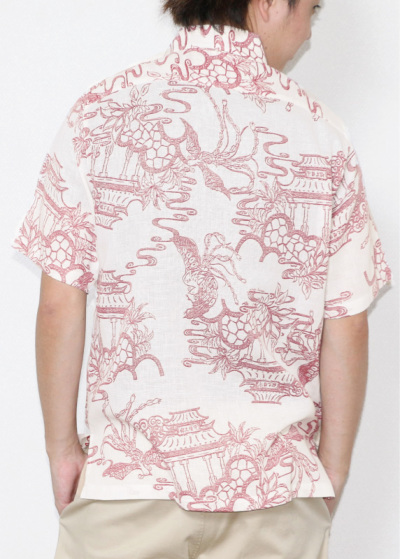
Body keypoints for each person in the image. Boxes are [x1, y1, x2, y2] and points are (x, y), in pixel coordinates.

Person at [11, 0, 393, 558]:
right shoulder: (322, 134)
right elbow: (347, 323)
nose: (308, 31)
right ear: (269, 3)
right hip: (275, 496)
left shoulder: (98, 112)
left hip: (128, 490)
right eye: (310, 11)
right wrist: (330, 468)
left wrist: (62, 449)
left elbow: (57, 306)